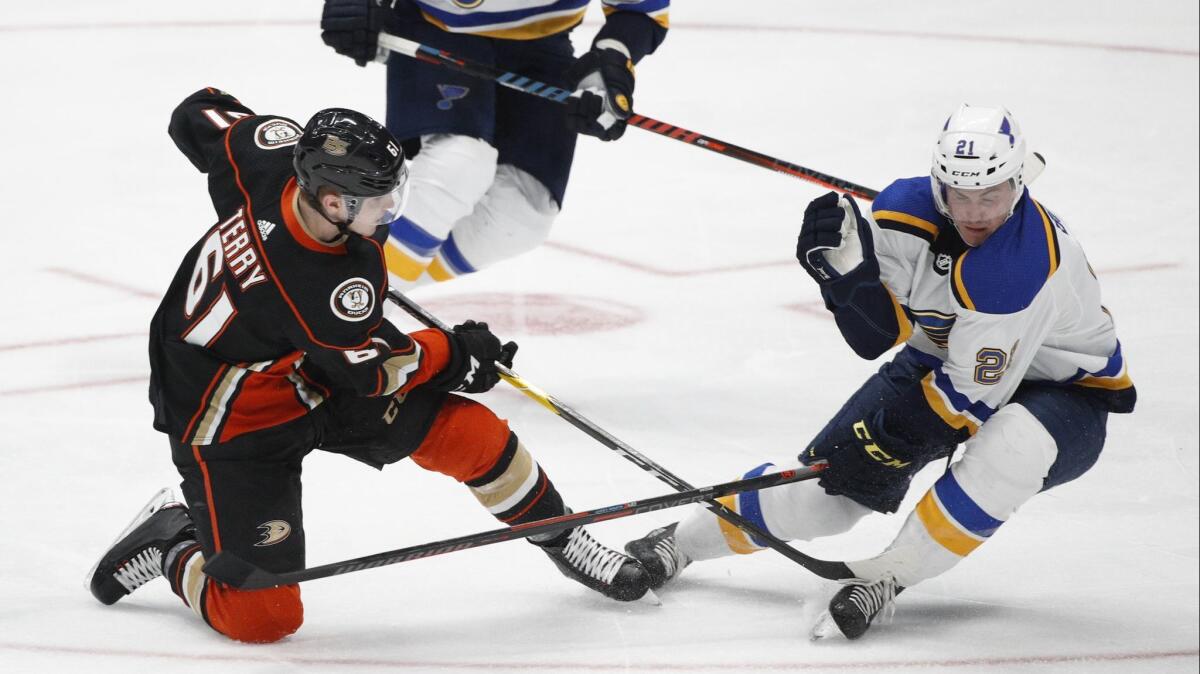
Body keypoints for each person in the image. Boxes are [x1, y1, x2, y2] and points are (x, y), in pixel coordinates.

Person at [86, 88, 650, 644]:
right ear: (334, 202)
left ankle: (561, 536)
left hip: (298, 358)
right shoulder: (318, 287)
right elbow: (379, 371)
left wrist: (243, 201)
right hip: (230, 413)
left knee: (468, 432)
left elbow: (197, 112)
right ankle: (171, 546)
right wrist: (458, 356)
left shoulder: (269, 154)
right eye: (380, 198)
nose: (390, 210)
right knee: (262, 618)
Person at [623, 104, 1137, 640]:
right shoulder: (901, 212)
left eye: (991, 194)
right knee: (824, 497)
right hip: (939, 363)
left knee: (1010, 449)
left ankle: (887, 576)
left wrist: (891, 438)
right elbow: (877, 337)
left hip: (1069, 396)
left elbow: (969, 399)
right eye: (960, 195)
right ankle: (679, 541)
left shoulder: (1021, 264)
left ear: (1018, 181)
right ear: (939, 184)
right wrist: (843, 277)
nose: (976, 212)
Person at [319, 0, 669, 288]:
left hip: (544, 46)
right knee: (459, 165)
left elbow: (639, 11)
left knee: (519, 218)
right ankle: (341, 315)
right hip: (437, 28)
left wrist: (609, 65)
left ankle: (350, 294)